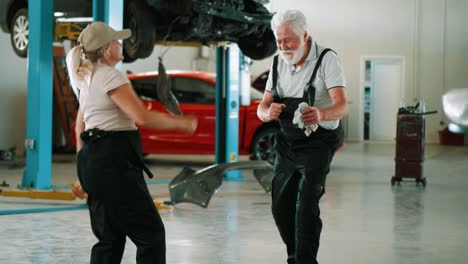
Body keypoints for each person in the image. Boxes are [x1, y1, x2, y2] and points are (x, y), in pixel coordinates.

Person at [66, 21, 197, 264]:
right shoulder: (109, 75)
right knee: (151, 235)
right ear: (106, 50)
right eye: (116, 40)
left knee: (109, 238)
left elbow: (79, 128)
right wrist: (182, 124)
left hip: (95, 160)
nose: (121, 43)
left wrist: (83, 173)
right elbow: (142, 117)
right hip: (113, 162)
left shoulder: (86, 78)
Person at [257, 10, 348, 264]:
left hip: (319, 142)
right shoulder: (277, 63)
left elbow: (342, 106)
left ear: (304, 35)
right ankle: (295, 257)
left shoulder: (327, 60)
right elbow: (262, 107)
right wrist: (267, 112)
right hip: (287, 143)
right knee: (280, 207)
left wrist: (321, 113)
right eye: (278, 41)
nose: (283, 47)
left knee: (306, 207)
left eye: (288, 40)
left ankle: (305, 261)